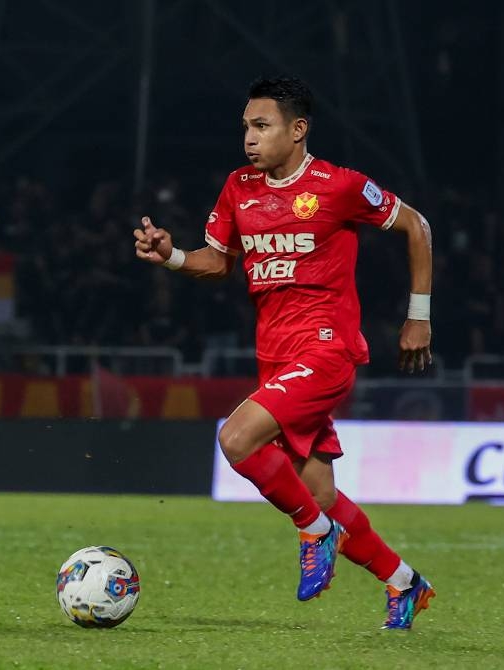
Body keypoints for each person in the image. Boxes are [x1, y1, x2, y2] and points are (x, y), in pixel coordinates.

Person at [133, 77, 436, 630]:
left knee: (235, 437)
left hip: (326, 349)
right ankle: (405, 583)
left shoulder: (339, 186)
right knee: (320, 492)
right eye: (246, 126)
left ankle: (315, 534)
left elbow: (417, 224)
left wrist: (419, 315)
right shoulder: (238, 188)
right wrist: (172, 254)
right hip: (274, 354)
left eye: (261, 126)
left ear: (297, 130)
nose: (249, 138)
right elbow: (217, 261)